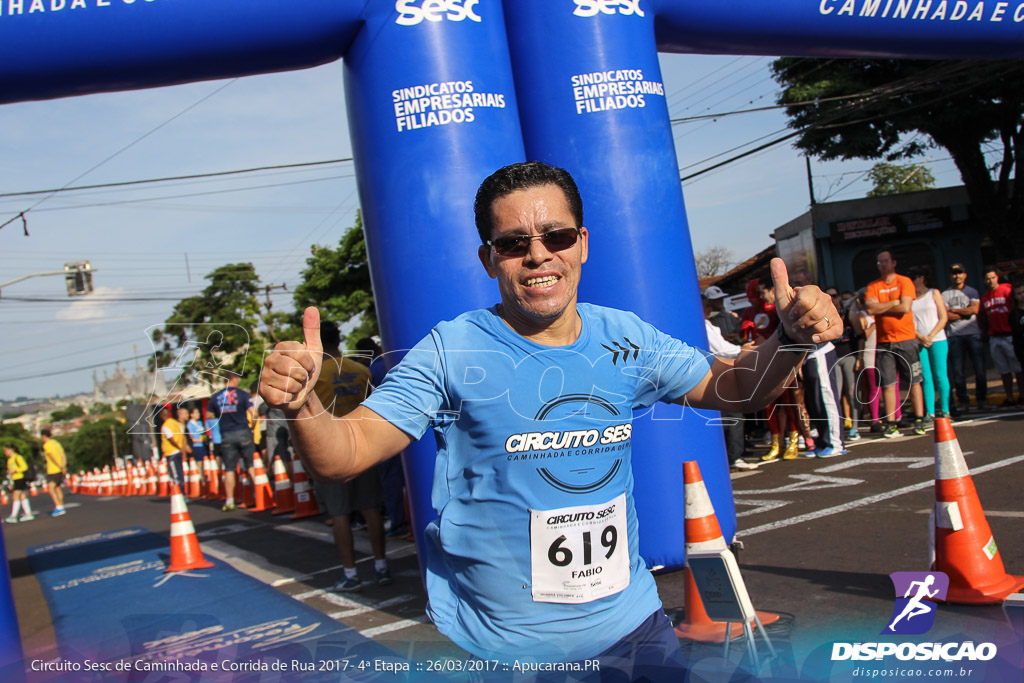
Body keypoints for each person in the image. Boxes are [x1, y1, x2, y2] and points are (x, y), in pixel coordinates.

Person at [259, 161, 840, 671]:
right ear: (489, 259)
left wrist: (788, 340)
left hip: (636, 632)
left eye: (555, 235)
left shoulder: (625, 336)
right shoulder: (452, 349)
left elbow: (733, 385)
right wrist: (305, 405)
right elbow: (348, 452)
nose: (538, 254)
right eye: (513, 243)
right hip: (503, 650)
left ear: (581, 243)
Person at [311, 321, 391, 592]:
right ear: (339, 339)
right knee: (371, 509)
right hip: (363, 444)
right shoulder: (360, 370)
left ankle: (351, 573)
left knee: (340, 514)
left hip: (332, 449)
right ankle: (381, 566)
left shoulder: (315, 376)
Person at [865, 248, 926, 437]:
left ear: (893, 263)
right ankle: (891, 422)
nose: (882, 265)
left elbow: (905, 307)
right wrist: (893, 303)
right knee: (888, 384)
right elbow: (871, 308)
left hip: (906, 339)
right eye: (879, 262)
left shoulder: (904, 281)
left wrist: (882, 306)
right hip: (884, 342)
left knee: (913, 381)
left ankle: (919, 419)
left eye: (885, 261)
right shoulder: (873, 286)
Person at [790, 271, 845, 458]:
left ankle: (835, 443)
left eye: (799, 281)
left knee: (827, 396)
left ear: (808, 281)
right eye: (793, 282)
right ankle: (823, 440)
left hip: (821, 351)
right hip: (808, 355)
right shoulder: (792, 304)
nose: (796, 285)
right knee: (814, 402)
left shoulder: (815, 299)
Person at [703, 298, 758, 471]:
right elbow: (720, 348)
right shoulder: (703, 324)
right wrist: (744, 350)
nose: (711, 308)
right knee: (733, 415)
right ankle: (734, 457)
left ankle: (733, 454)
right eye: (707, 305)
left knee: (730, 417)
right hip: (718, 374)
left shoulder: (708, 324)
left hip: (720, 372)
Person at [941, 263, 986, 416]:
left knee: (979, 369)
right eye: (954, 273)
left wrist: (953, 310)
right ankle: (964, 401)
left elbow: (974, 310)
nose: (957, 276)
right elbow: (946, 316)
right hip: (954, 336)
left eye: (960, 273)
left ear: (964, 275)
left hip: (973, 333)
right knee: (958, 372)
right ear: (950, 276)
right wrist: (964, 312)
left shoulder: (972, 291)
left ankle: (981, 400)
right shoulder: (944, 295)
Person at [207, 372, 255, 511]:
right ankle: (256, 495)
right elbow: (254, 414)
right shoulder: (243, 394)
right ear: (234, 379)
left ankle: (229, 500)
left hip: (226, 434)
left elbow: (209, 415)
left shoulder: (216, 397)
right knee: (251, 465)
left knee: (229, 469)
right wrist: (251, 426)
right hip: (243, 431)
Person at [909, 267, 951, 421]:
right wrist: (920, 337)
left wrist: (931, 335)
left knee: (940, 374)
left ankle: (946, 410)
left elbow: (943, 317)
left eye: (915, 277)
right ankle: (930, 412)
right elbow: (908, 322)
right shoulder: (909, 298)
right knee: (925, 377)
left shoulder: (934, 293)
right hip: (919, 341)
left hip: (938, 338)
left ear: (923, 278)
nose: (913, 280)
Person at [979, 266, 1023, 407]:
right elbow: (984, 317)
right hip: (995, 336)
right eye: (987, 279)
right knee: (1003, 370)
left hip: (1009, 335)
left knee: (1018, 368)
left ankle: (1022, 395)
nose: (990, 281)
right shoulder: (985, 297)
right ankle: (1009, 397)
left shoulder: (1007, 290)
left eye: (993, 277)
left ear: (997, 277)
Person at [827, 287, 861, 441]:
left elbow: (861, 335)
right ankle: (838, 428)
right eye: (828, 296)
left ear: (839, 297)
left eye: (834, 296)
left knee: (853, 391)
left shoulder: (849, 314)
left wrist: (859, 357)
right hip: (833, 358)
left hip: (849, 356)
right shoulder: (825, 317)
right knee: (836, 394)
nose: (832, 299)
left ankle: (855, 427)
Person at [159, 406, 189, 489]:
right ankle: (183, 492)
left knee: (175, 475)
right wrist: (183, 451)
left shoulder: (165, 426)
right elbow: (183, 438)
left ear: (162, 415)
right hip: (178, 452)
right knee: (180, 473)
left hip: (171, 452)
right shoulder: (176, 423)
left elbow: (170, 438)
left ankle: (179, 493)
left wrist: (178, 447)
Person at [40, 429, 68, 517]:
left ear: (44, 436)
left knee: (51, 488)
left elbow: (51, 457)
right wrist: (63, 466)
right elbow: (63, 455)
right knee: (57, 488)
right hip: (59, 469)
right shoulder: (56, 443)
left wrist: (59, 466)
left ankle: (58, 507)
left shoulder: (46, 445)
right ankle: (61, 506)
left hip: (52, 470)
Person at [4, 445, 35, 523]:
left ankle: (13, 516)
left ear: (10, 450)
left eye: (6, 450)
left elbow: (24, 467)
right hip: (15, 479)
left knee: (16, 496)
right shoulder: (9, 460)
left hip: (20, 478)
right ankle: (28, 514)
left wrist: (15, 470)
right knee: (22, 496)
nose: (5, 452)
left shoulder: (17, 457)